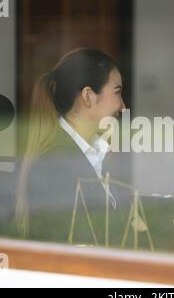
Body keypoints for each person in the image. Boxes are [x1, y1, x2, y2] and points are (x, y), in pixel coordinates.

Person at [15, 48, 128, 243]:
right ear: (88, 97)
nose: (123, 106)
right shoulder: (53, 165)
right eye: (117, 93)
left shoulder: (95, 154)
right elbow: (86, 239)